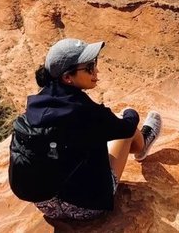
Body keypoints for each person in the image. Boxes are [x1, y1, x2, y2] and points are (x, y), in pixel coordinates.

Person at [16, 37, 161, 221]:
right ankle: (143, 147)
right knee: (126, 132)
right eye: (90, 67)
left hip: (46, 205)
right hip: (86, 208)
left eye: (95, 63)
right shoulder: (85, 111)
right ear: (67, 77)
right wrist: (129, 113)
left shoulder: (35, 104)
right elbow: (126, 128)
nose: (96, 71)